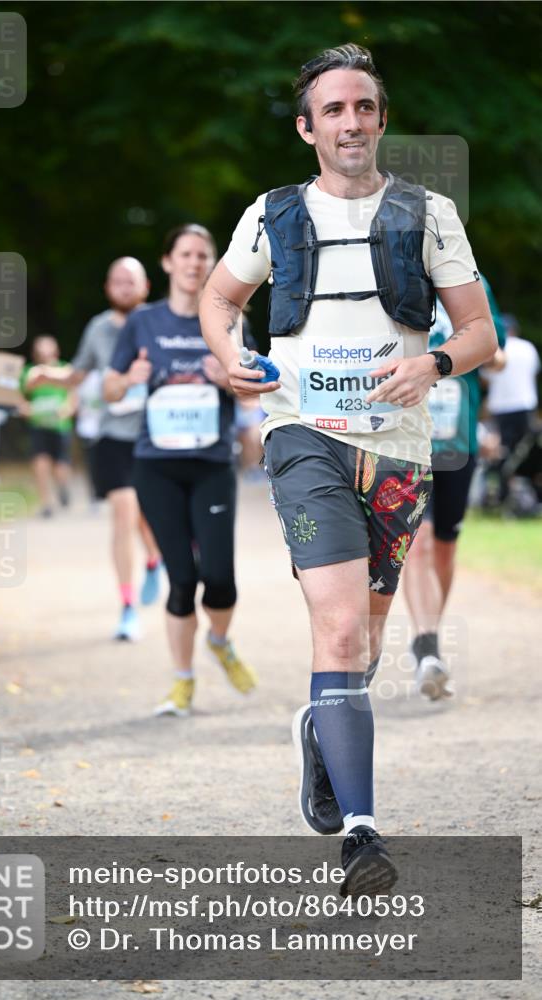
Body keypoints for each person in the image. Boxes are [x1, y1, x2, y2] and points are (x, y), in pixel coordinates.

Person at [199, 44, 497, 896]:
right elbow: (219, 299)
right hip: (301, 437)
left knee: (362, 642)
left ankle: (321, 730)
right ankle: (361, 836)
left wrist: (433, 364)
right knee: (335, 631)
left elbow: (478, 332)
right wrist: (229, 355)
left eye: (363, 106)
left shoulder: (427, 213)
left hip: (397, 448)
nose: (350, 121)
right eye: (332, 109)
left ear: (381, 119)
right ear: (307, 129)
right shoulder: (271, 215)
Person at [103, 225, 257, 716]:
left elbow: (254, 389)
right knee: (183, 580)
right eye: (186, 254)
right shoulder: (142, 321)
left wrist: (230, 380)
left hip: (212, 465)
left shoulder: (229, 321)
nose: (194, 263)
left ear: (212, 264)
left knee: (220, 578)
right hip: (157, 467)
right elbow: (108, 388)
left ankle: (219, 641)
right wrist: (130, 378)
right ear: (168, 262)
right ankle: (182, 682)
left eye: (203, 255)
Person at [25, 258, 162, 641]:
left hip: (155, 436)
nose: (123, 287)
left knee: (145, 515)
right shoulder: (99, 329)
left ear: (145, 286)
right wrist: (46, 375)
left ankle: (154, 558)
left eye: (130, 281)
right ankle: (128, 607)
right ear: (107, 287)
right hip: (112, 436)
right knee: (123, 514)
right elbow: (77, 374)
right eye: (116, 280)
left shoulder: (160, 322)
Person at [402, 277, 506, 700]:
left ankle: (429, 636)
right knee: (418, 541)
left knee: (444, 547)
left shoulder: (469, 280)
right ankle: (427, 646)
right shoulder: (398, 274)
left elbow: (495, 348)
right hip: (408, 440)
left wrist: (491, 358)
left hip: (457, 443)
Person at [482, 314, 540, 500]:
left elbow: (486, 380)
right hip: (525, 406)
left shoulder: (493, 350)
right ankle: (525, 494)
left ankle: (501, 494)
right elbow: (533, 373)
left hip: (500, 408)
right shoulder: (528, 347)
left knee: (501, 452)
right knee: (523, 453)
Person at [20, 335, 76, 518]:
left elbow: (73, 393)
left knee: (61, 465)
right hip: (38, 423)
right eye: (41, 347)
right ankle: (46, 503)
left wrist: (69, 408)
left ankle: (63, 486)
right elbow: (21, 395)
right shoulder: (29, 371)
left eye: (48, 347)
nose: (45, 351)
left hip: (60, 425)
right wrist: (24, 407)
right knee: (40, 462)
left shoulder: (65, 369)